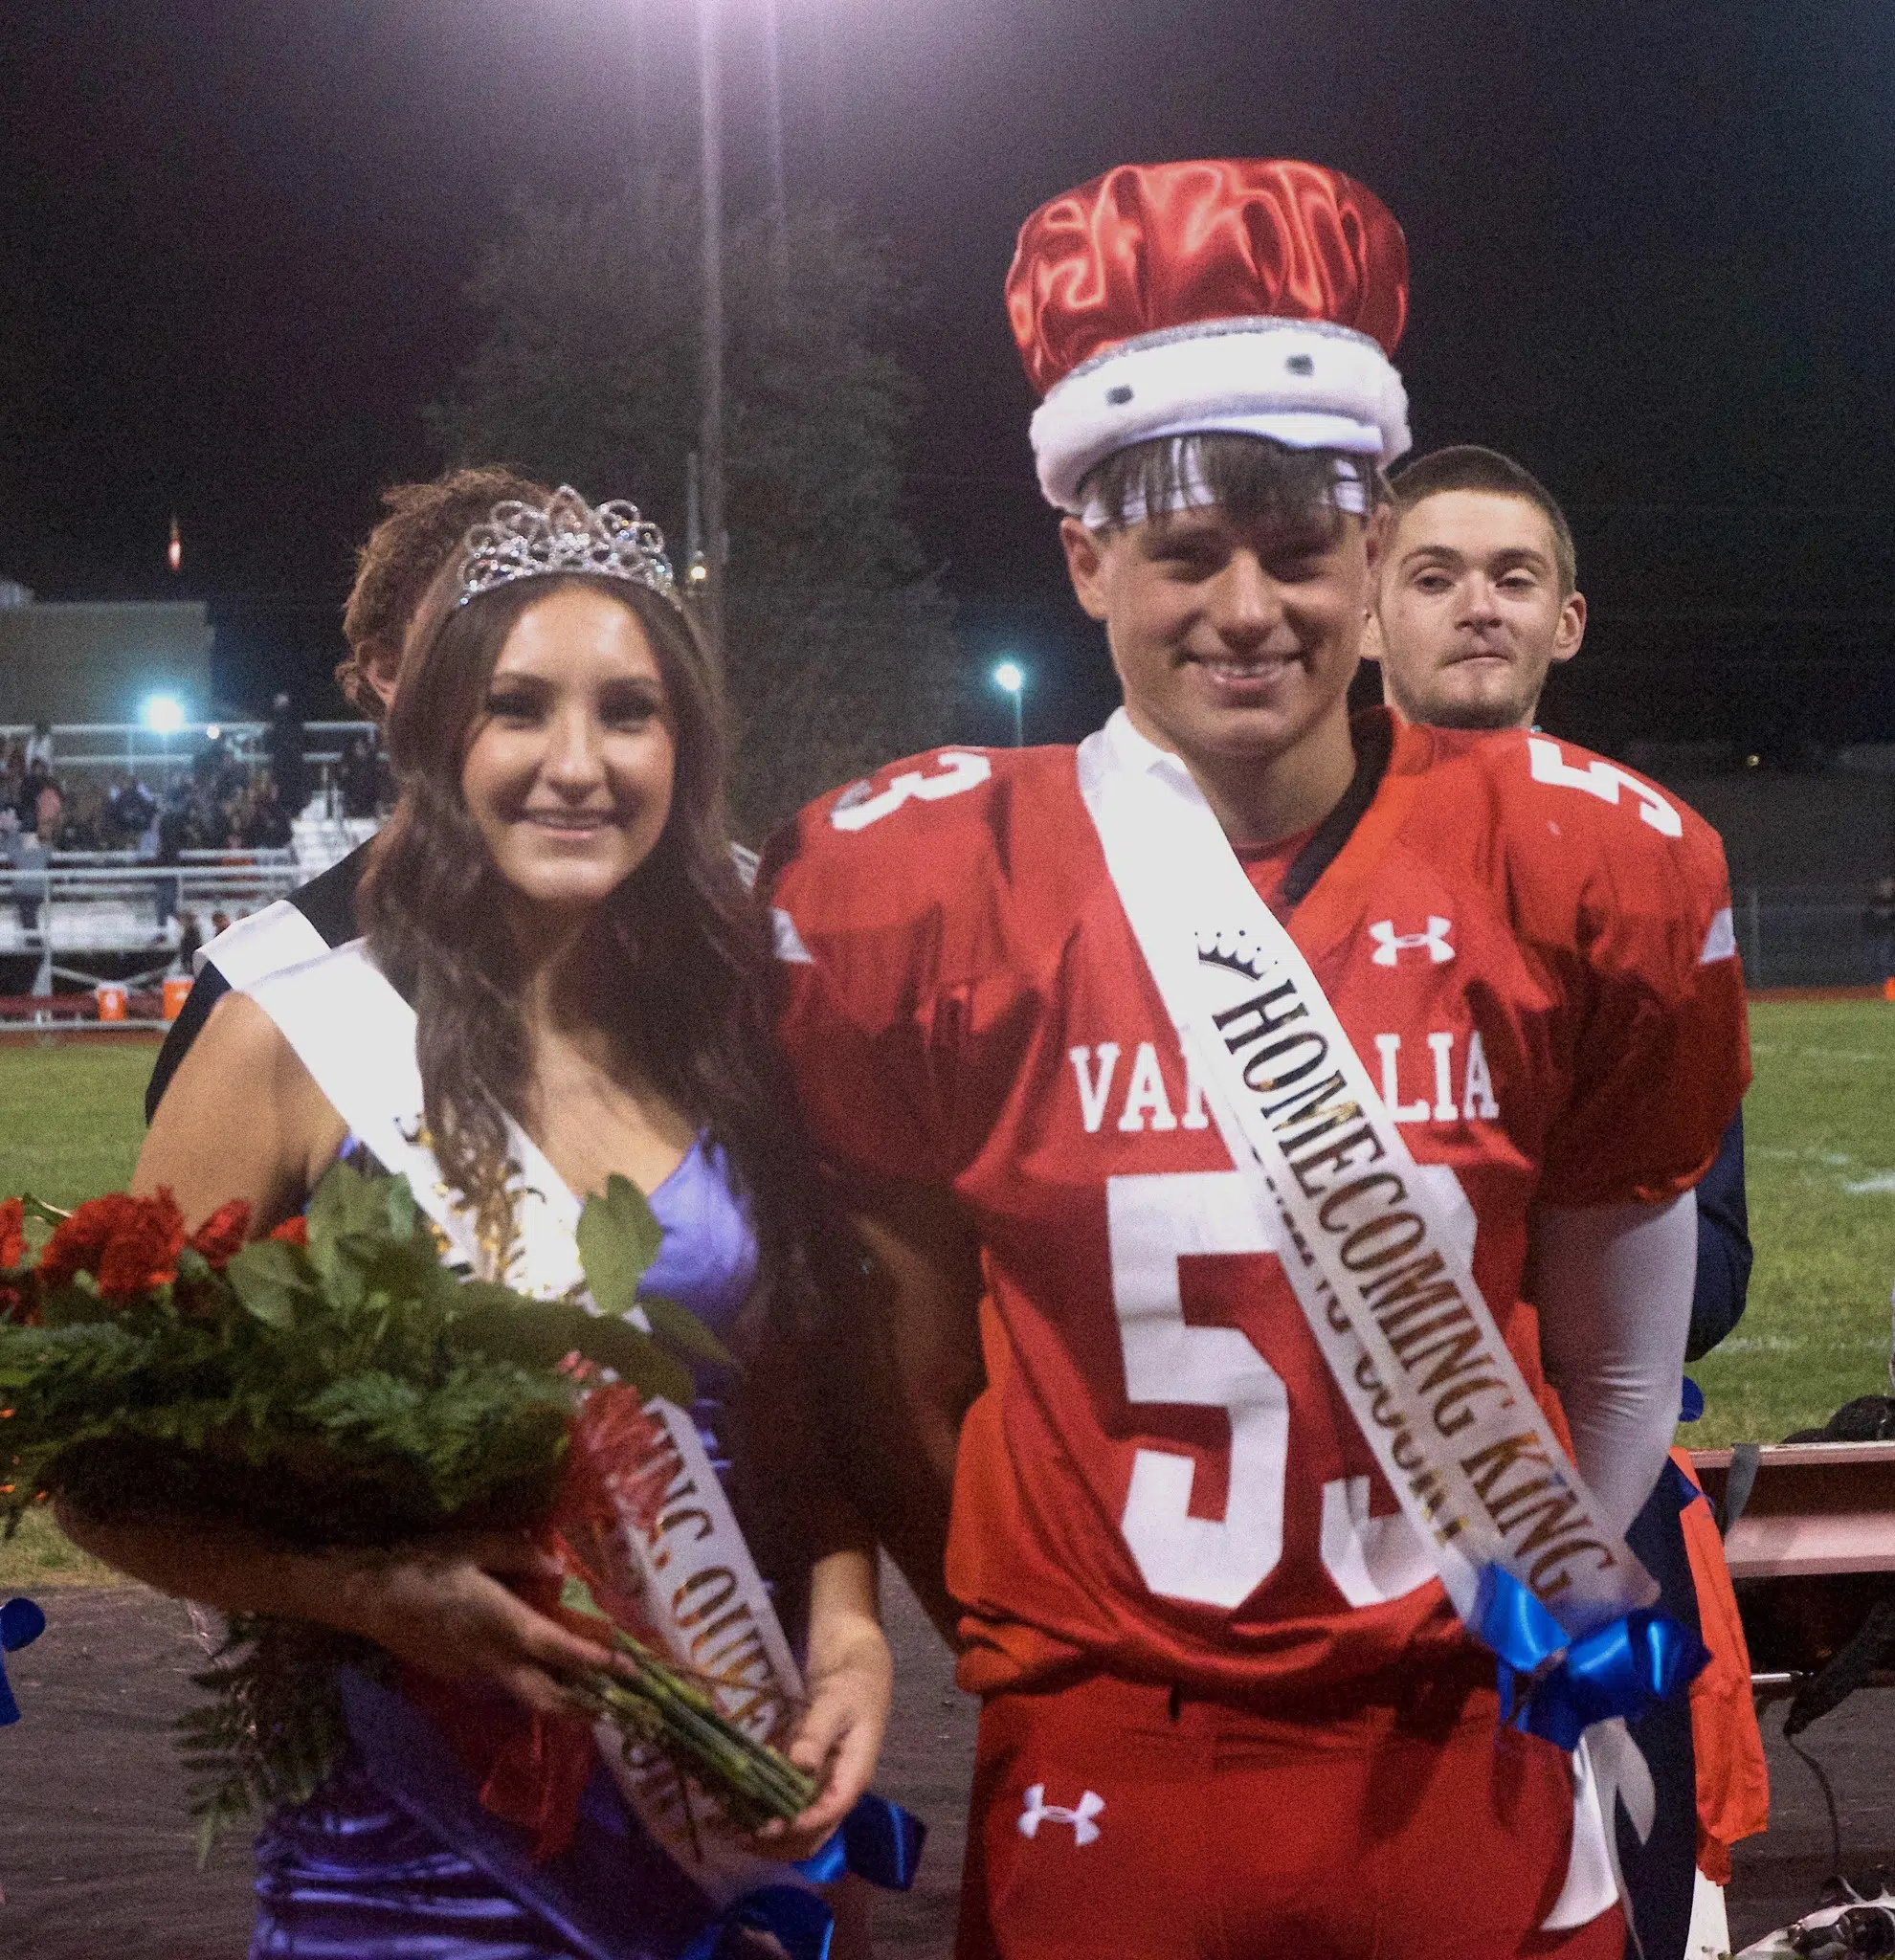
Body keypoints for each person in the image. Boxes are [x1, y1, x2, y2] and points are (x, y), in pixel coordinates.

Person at [766, 159, 1748, 1959]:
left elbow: (1620, 1380)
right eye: (1181, 551)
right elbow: (905, 1391)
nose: (1247, 606)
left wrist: (1522, 1612)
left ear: (1370, 548)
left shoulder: (1577, 866)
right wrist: (1058, 1627)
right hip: (1109, 1735)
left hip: (1464, 1717)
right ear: (1082, 553)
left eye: (1298, 549)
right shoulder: (926, 889)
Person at [61, 485, 895, 1959]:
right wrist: (364, 1592)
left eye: (629, 713)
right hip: (410, 1875)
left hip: (736, 1827)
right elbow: (97, 1477)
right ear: (443, 736)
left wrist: (849, 1629)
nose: (577, 765)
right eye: (520, 708)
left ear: (684, 750)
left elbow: (800, 1425)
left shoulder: (746, 1033)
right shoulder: (288, 1038)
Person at [1363, 443, 1766, 1957]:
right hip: (1332, 1517)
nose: (1478, 605)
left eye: (1513, 577)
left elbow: (1711, 1271)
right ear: (1361, 619)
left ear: (1568, 623)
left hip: (1588, 1502)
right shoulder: (1249, 869)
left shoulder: (1650, 869)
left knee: (1616, 1916)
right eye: (1435, 574)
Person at [145, 466, 555, 1120]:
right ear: (388, 673)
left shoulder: (719, 944)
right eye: (475, 638)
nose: (524, 670)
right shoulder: (263, 975)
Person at [265, 689, 308, 817]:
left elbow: (270, 742)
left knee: (284, 786)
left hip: (283, 760)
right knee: (290, 786)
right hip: (291, 760)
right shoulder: (294, 718)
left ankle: (285, 811)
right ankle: (292, 811)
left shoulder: (279, 720)